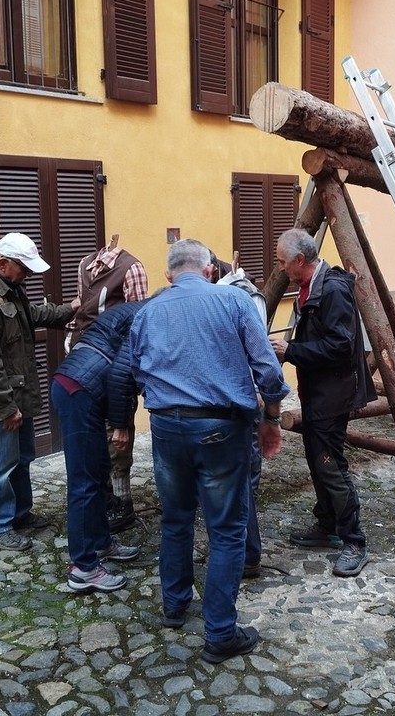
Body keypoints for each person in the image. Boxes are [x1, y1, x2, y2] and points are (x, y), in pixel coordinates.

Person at [107, 239, 289, 664]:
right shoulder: (234, 301)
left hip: (167, 427)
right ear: (209, 270)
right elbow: (267, 368)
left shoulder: (148, 311)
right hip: (221, 428)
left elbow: (132, 371)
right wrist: (272, 417)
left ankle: (175, 606)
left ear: (168, 275)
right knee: (225, 530)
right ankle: (221, 632)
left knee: (176, 520)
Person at [0, 232, 80, 551]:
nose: (27, 275)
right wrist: (6, 408)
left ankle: (19, 513)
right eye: (23, 268)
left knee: (22, 457)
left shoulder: (9, 289)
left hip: (17, 392)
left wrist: (70, 309)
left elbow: (32, 316)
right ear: (2, 263)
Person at [270, 228, 376, 578]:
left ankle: (354, 542)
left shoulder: (332, 290)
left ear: (300, 260)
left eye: (283, 262)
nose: (281, 268)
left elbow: (341, 347)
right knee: (317, 462)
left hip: (334, 394)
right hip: (317, 392)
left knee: (330, 464)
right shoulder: (310, 287)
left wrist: (292, 350)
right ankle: (327, 524)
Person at [52, 300, 146, 593]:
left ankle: (101, 543)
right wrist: (121, 424)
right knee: (84, 481)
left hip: (80, 385)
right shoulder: (149, 317)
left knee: (99, 471)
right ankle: (84, 568)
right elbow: (121, 373)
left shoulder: (140, 309)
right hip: (79, 390)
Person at [71, 239, 149, 534]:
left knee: (118, 434)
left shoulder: (131, 268)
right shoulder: (84, 265)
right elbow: (80, 311)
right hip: (85, 363)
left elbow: (138, 321)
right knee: (93, 435)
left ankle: (122, 502)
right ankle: (102, 498)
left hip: (117, 362)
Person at [210, 253, 268, 579]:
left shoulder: (243, 297)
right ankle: (243, 549)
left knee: (242, 477)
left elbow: (259, 354)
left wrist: (269, 404)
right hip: (231, 398)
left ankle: (246, 553)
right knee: (238, 479)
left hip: (238, 399)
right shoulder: (225, 296)